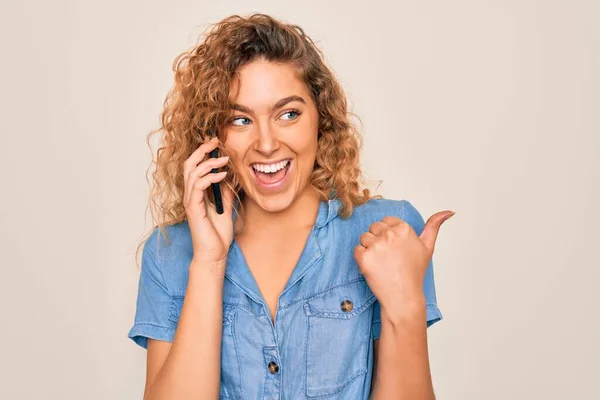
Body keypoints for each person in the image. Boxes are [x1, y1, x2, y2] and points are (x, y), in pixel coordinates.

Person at [127, 13, 454, 400]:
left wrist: (406, 307)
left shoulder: (390, 233)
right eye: (240, 119)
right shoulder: (170, 255)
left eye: (288, 114)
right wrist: (209, 263)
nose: (266, 143)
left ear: (321, 118)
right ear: (212, 138)